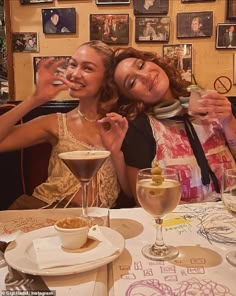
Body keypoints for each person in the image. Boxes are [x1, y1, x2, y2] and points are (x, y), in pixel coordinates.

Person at [0, 40, 131, 210]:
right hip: (44, 212)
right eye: (73, 65)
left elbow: (130, 192)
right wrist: (35, 99)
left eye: (87, 68)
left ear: (107, 78)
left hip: (97, 223)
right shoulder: (56, 122)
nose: (75, 74)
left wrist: (116, 153)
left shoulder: (120, 126)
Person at [112, 46, 236, 205]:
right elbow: (145, 198)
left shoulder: (209, 103)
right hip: (184, 223)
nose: (144, 76)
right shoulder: (139, 129)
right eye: (132, 82)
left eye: (141, 65)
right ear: (130, 98)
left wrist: (228, 120)